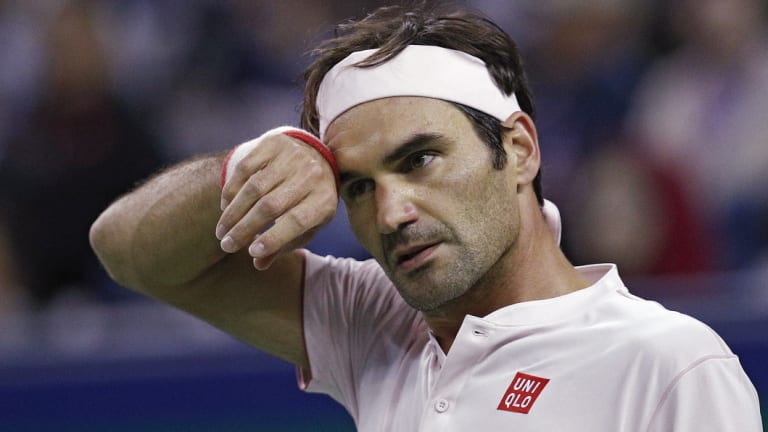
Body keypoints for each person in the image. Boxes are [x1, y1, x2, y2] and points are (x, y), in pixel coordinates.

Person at [89, 4, 762, 431]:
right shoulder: (377, 321)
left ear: (520, 149)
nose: (391, 212)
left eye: (419, 160)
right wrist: (246, 169)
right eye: (355, 187)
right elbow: (126, 250)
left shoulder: (669, 361)